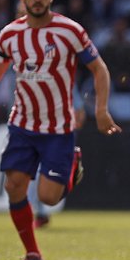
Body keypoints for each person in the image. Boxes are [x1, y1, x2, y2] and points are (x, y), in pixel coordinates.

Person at [0, 0, 122, 260]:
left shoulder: (69, 31)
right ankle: (33, 254)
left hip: (58, 128)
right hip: (23, 124)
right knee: (13, 185)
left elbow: (99, 69)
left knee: (49, 197)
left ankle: (72, 161)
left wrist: (101, 110)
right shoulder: (10, 34)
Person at [29, 85, 87, 229]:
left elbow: (79, 111)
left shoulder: (63, 81)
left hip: (57, 133)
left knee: (41, 175)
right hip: (36, 130)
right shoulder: (29, 80)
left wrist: (70, 133)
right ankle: (39, 214)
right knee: (32, 174)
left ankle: (39, 213)